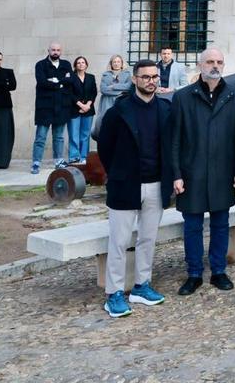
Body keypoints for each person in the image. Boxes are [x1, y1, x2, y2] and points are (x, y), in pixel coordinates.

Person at [97, 59, 174, 318]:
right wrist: (119, 172)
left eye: (154, 77)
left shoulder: (165, 109)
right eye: (145, 77)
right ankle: (114, 293)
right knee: (119, 242)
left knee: (147, 239)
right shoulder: (118, 112)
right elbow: (105, 147)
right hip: (125, 184)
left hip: (155, 185)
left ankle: (141, 286)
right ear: (135, 79)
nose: (151, 81)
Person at [169, 48, 235, 295]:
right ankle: (193, 273)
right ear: (200, 64)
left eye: (219, 62)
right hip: (192, 172)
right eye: (210, 61)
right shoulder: (183, 97)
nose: (215, 66)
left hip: (222, 172)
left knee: (220, 223)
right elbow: (174, 140)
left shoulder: (234, 95)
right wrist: (176, 173)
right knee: (192, 225)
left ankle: (218, 271)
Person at [32, 42, 73, 174]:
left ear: (61, 51)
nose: (55, 52)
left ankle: (58, 161)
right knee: (40, 137)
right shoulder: (40, 65)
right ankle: (36, 163)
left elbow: (70, 81)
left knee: (59, 137)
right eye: (53, 50)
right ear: (48, 51)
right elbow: (42, 82)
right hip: (45, 107)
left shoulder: (66, 65)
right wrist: (61, 83)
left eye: (58, 50)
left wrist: (55, 81)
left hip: (61, 106)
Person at [68, 56, 97, 163]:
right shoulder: (71, 77)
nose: (81, 64)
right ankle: (74, 157)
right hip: (74, 109)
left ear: (86, 65)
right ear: (75, 65)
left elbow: (94, 92)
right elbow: (70, 93)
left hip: (88, 109)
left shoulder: (91, 77)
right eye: (78, 63)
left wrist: (87, 105)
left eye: (83, 62)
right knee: (74, 134)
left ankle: (84, 157)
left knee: (85, 135)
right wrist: (81, 105)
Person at [96, 55, 132, 135]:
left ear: (122, 63)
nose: (116, 64)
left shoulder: (127, 74)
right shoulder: (106, 74)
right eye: (114, 62)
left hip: (122, 101)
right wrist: (120, 91)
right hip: (107, 102)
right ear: (111, 64)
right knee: (107, 123)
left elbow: (128, 86)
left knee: (121, 124)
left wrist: (113, 86)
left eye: (118, 62)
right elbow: (103, 89)